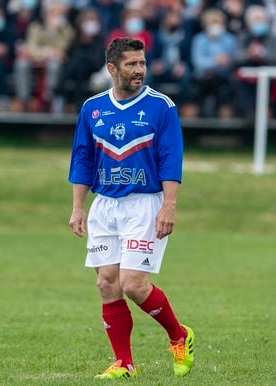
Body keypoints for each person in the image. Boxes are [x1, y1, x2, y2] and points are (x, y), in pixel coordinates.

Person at [68, 38, 194, 380]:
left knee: (134, 284)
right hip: (104, 205)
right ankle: (123, 363)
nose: (139, 70)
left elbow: (172, 159)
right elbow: (82, 158)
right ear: (112, 69)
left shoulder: (161, 106)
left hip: (144, 203)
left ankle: (179, 336)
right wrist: (78, 208)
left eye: (142, 63)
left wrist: (169, 206)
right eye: (131, 64)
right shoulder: (92, 108)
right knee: (107, 283)